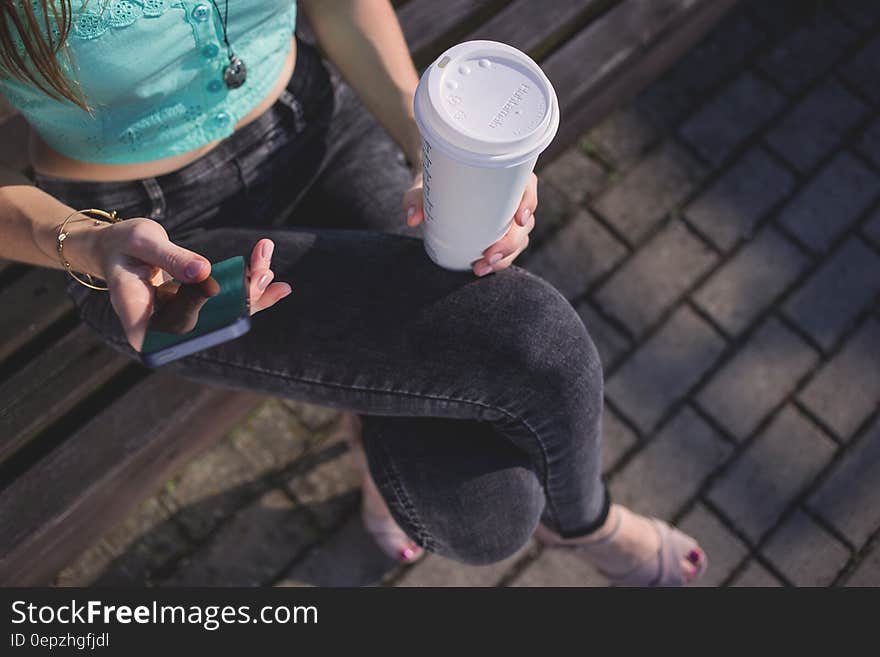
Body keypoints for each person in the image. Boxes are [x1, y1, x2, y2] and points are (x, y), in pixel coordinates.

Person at [0, 0, 707, 586]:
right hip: (145, 244)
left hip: (313, 127)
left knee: (484, 504)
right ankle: (586, 522)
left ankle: (396, 420)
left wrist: (437, 148)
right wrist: (82, 242)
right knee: (527, 359)